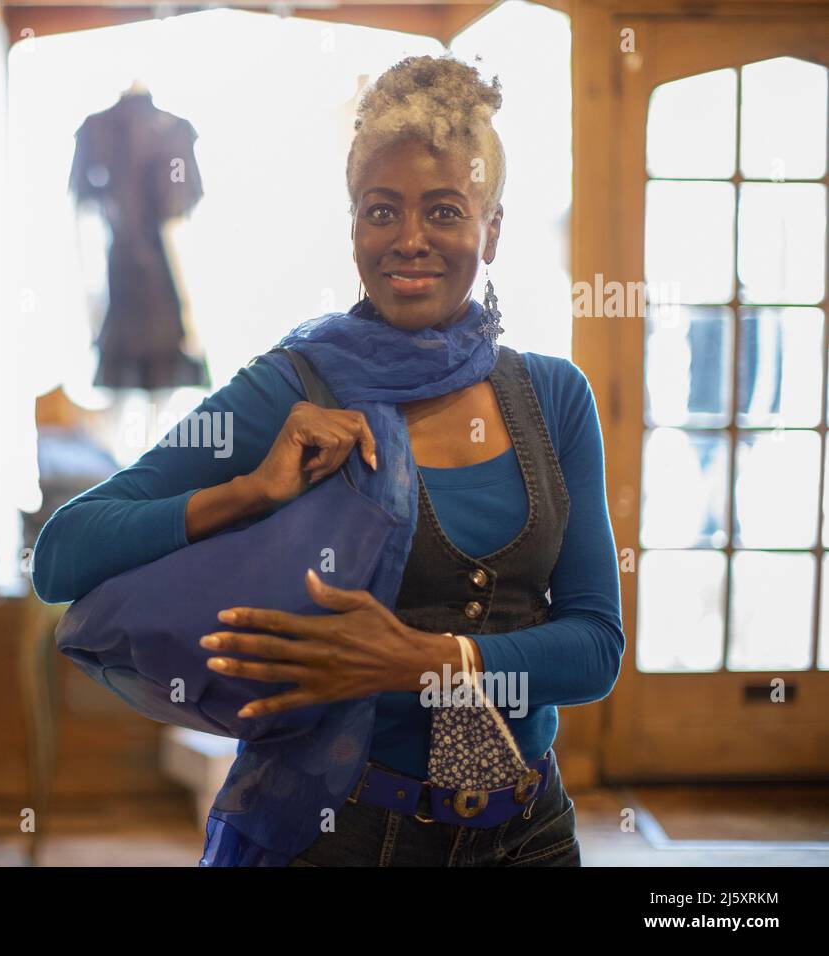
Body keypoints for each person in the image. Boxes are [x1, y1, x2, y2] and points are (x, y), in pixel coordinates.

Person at [32, 53, 624, 867]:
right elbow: (64, 555)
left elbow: (594, 649)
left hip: (528, 833)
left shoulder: (555, 398)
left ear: (491, 227)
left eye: (444, 210)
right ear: (354, 227)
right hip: (346, 834)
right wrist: (248, 490)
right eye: (382, 211)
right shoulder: (292, 390)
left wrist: (421, 660)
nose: (409, 239)